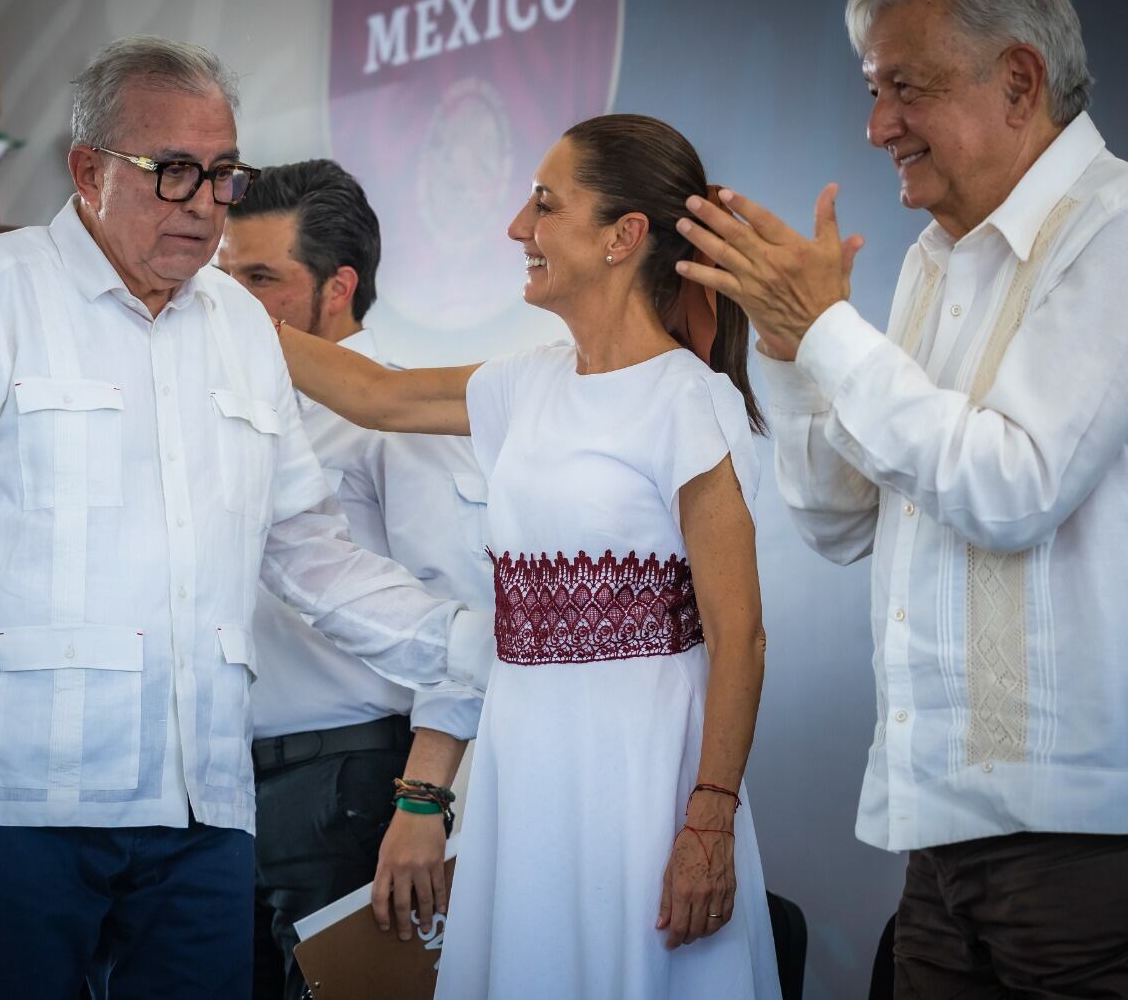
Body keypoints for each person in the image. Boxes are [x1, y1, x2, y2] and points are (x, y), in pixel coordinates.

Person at [0, 36, 489, 1000]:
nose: (206, 203)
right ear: (89, 170)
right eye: (174, 172)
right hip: (5, 806)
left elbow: (308, 552)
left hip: (201, 811)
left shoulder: (244, 329)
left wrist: (479, 645)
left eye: (222, 176)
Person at [676, 0, 1128, 996]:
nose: (875, 128)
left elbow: (1012, 487)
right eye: (871, 92)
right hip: (948, 823)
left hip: (1103, 834)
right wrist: (784, 349)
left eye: (903, 88)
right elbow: (838, 517)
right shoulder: (929, 264)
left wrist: (824, 331)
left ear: (1017, 82)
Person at [278, 114, 782, 999]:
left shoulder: (688, 401)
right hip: (525, 755)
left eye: (546, 205)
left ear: (624, 237)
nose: (519, 227)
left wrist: (709, 818)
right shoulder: (527, 382)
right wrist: (204, 305)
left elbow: (739, 639)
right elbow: (376, 395)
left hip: (643, 765)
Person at [217, 160, 488, 999]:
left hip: (348, 787)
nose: (230, 302)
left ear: (339, 286)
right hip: (224, 790)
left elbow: (465, 615)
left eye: (260, 278)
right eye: (223, 278)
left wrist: (420, 805)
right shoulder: (232, 411)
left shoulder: (394, 416)